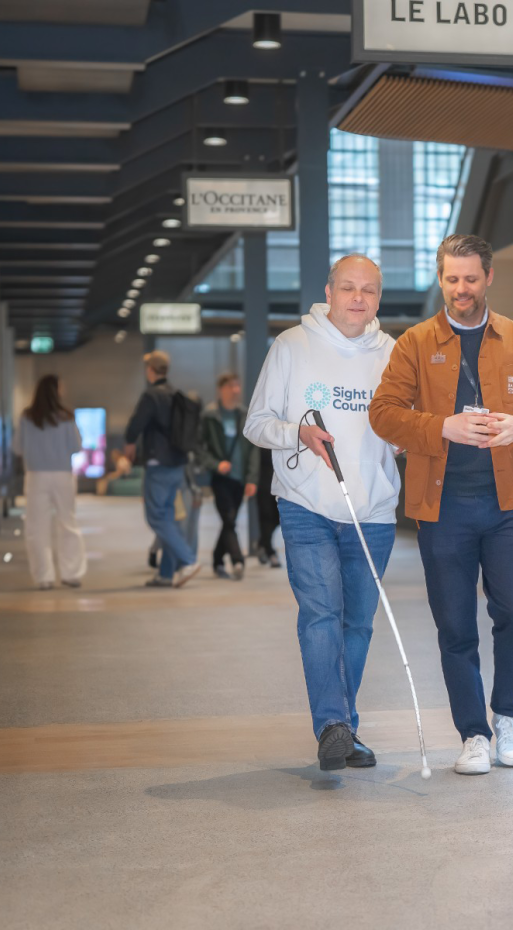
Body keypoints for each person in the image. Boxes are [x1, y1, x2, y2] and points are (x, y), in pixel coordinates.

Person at [370, 234, 513, 776]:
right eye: (452, 279)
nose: (461, 289)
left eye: (471, 279)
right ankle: (473, 733)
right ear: (440, 279)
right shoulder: (414, 343)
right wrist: (442, 427)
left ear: (489, 278)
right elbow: (383, 413)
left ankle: (508, 717)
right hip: (444, 509)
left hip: (508, 506)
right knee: (454, 625)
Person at [244, 254, 402, 772]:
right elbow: (256, 423)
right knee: (321, 615)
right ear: (329, 291)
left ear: (379, 298)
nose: (359, 298)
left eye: (370, 290)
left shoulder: (394, 354)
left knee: (358, 624)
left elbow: (403, 431)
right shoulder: (291, 345)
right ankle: (333, 726)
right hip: (306, 506)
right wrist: (298, 433)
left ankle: (344, 727)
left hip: (373, 511)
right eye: (349, 287)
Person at [124, 350, 201, 588]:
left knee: (156, 516)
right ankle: (166, 574)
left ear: (150, 370)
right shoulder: (175, 394)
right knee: (168, 516)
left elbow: (136, 424)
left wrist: (129, 442)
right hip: (177, 464)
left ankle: (188, 560)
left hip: (158, 464)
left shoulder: (152, 396)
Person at [16, 375, 88, 590]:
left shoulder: (27, 417)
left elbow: (17, 447)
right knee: (68, 523)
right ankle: (71, 573)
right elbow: (76, 446)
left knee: (36, 526)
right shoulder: (66, 416)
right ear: (56, 390)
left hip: (36, 475)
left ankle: (43, 577)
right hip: (62, 475)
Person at [200, 373, 259, 580]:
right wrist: (216, 464)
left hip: (240, 478)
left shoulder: (244, 414)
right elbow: (200, 448)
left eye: (237, 386)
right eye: (231, 386)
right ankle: (237, 560)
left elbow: (253, 449)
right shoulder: (210, 415)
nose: (235, 390)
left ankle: (217, 560)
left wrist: (252, 478)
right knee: (229, 518)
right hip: (221, 478)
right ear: (221, 388)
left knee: (229, 521)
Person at [253, 447, 282, 568]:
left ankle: (262, 543)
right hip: (263, 484)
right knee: (266, 518)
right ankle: (270, 552)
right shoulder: (260, 437)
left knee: (277, 518)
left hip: (280, 485)